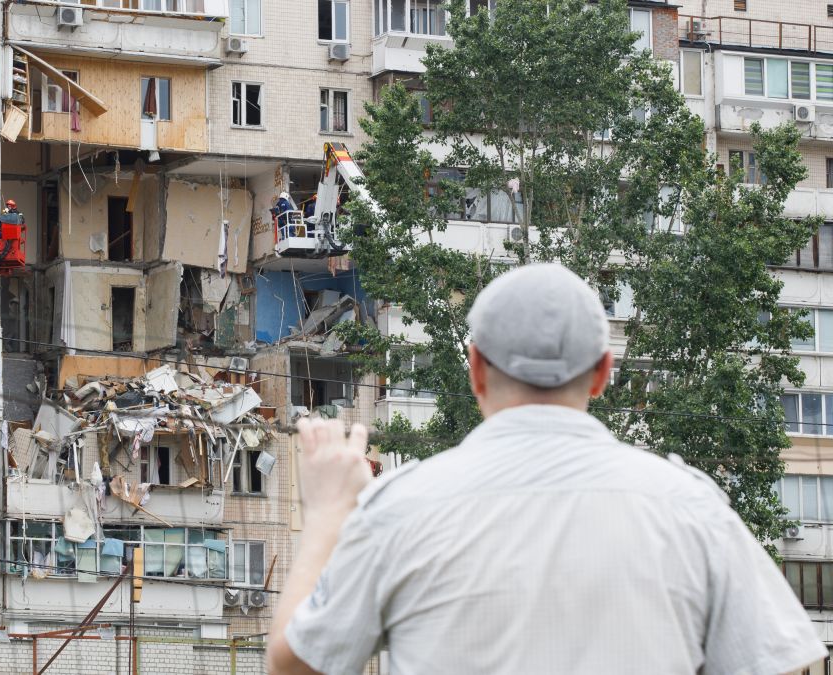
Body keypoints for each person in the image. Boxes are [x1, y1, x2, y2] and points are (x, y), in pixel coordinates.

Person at [267, 263, 825, 675]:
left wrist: (327, 516)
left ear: (475, 369)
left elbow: (295, 667)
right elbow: (781, 661)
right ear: (604, 372)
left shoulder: (403, 509)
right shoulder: (689, 508)